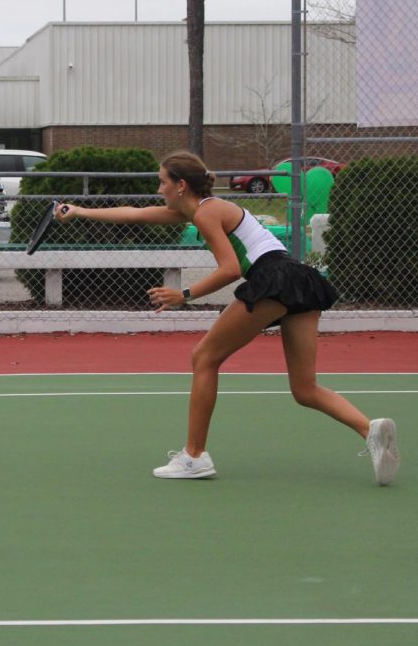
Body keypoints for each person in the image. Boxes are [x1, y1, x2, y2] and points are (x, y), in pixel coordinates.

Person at [55, 150, 400, 485]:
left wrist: (184, 295)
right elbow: (135, 214)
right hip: (300, 279)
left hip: (274, 279)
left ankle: (194, 456)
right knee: (305, 388)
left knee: (204, 357)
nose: (158, 189)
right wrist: (81, 211)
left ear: (180, 186)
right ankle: (370, 429)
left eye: (162, 182)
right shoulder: (202, 210)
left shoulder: (206, 214)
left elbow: (231, 269)